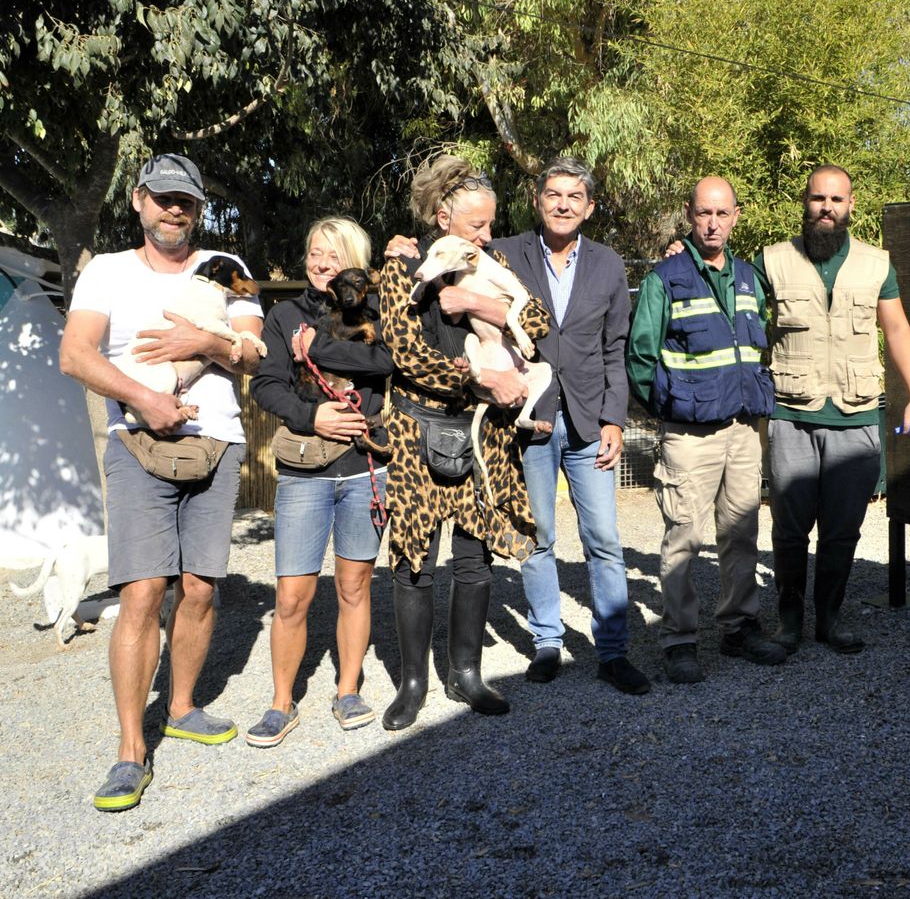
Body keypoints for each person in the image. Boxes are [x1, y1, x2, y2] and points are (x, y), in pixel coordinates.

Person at [301, 155, 543, 728]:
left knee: (476, 557)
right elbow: (407, 355)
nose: (487, 235)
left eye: (490, 224)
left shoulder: (494, 263)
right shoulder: (403, 267)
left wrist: (480, 304)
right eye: (476, 225)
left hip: (483, 434)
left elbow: (537, 323)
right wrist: (481, 379)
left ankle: (466, 674)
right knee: (414, 558)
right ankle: (412, 685)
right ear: (442, 218)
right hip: (417, 430)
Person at [59, 153, 263, 812]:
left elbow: (250, 351)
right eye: (163, 198)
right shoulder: (107, 271)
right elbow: (75, 354)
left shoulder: (228, 266)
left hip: (218, 440)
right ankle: (129, 750)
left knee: (199, 588)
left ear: (198, 210)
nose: (175, 210)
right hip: (136, 440)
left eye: (187, 202)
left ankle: (181, 708)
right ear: (139, 200)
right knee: (143, 591)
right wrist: (144, 399)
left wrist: (201, 342)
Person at [486, 157, 649, 696]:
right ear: (537, 201)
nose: (563, 204)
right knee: (539, 537)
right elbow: (452, 253)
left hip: (588, 420)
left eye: (574, 196)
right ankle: (547, 643)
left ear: (590, 207)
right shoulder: (505, 253)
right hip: (528, 419)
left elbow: (614, 347)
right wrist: (406, 248)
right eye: (553, 194)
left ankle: (613, 652)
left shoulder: (608, 264)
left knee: (603, 538)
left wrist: (614, 418)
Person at [755, 164, 910, 655]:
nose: (826, 208)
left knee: (843, 530)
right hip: (791, 415)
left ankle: (829, 620)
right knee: (790, 531)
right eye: (818, 198)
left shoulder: (876, 265)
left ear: (851, 205)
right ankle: (789, 622)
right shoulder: (772, 261)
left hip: (856, 417)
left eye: (836, 200)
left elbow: (897, 329)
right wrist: (682, 250)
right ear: (805, 202)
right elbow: (731, 299)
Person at [626, 176, 786, 684]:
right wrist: (672, 407)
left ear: (736, 216)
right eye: (703, 213)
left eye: (721, 213)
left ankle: (739, 628)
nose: (712, 223)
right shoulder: (665, 278)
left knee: (741, 533)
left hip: (743, 429)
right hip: (689, 435)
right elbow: (640, 357)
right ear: (689, 215)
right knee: (683, 538)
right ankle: (679, 640)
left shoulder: (750, 278)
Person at [245, 217, 387, 747]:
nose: (323, 264)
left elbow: (388, 362)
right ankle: (281, 703)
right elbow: (266, 385)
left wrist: (320, 350)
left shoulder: (378, 311)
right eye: (315, 253)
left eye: (335, 255)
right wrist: (313, 416)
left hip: (365, 468)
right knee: (292, 595)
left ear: (355, 264)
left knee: (355, 586)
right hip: (304, 470)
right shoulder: (285, 315)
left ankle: (348, 690)